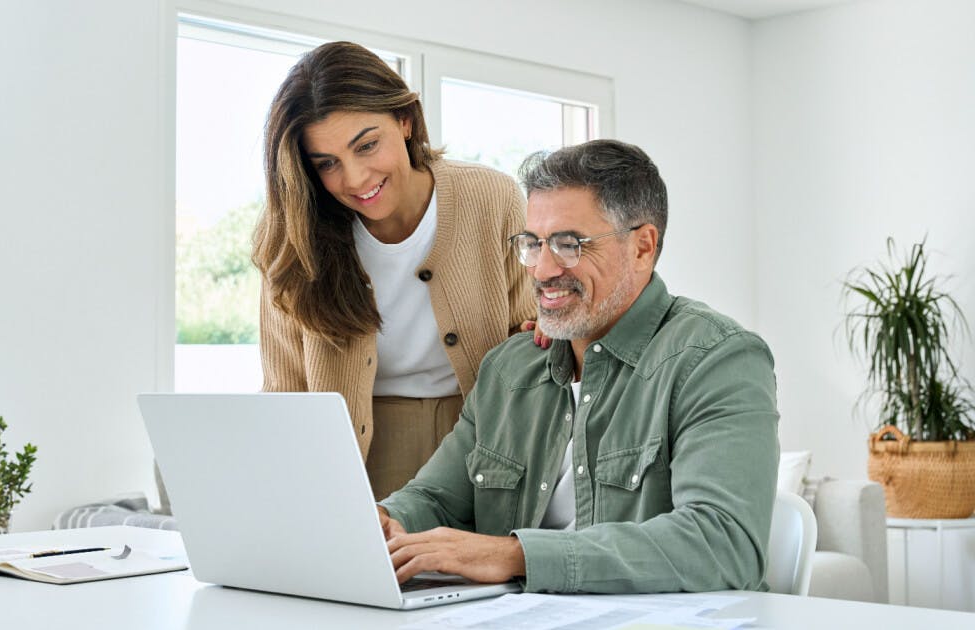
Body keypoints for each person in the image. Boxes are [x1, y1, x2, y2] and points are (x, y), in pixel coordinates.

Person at [377, 139, 780, 594]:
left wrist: (514, 556)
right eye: (532, 243)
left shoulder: (717, 359)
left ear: (643, 247)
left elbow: (724, 545)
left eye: (569, 244)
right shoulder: (509, 370)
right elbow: (435, 498)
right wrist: (386, 520)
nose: (542, 270)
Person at [253, 41, 542, 500]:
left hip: (481, 443)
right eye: (326, 164)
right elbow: (285, 388)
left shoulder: (494, 198)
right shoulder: (293, 234)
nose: (354, 179)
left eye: (366, 145)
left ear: (405, 121)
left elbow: (528, 336)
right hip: (355, 455)